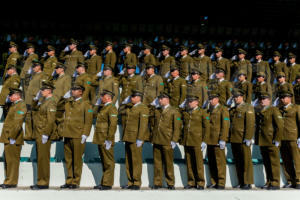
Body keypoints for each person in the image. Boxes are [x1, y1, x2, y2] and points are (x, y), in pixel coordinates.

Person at [60, 85, 93, 189]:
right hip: (67, 133)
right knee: (68, 159)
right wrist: (63, 98)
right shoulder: (68, 103)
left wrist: (85, 134)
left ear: (81, 92)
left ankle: (76, 181)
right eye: (72, 90)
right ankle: (69, 180)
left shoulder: (85, 104)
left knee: (77, 159)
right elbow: (58, 107)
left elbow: (88, 121)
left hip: (78, 134)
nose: (72, 91)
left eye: (75, 90)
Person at [151, 92, 181, 190]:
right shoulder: (157, 110)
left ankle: (170, 182)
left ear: (167, 99)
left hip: (167, 140)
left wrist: (174, 140)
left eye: (161, 99)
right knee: (157, 163)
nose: (159, 100)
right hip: (157, 139)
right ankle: (157, 182)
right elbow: (153, 124)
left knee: (168, 163)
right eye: (159, 99)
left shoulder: (174, 111)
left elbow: (177, 127)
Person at [30, 82, 57, 190]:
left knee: (43, 159)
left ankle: (43, 183)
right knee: (40, 158)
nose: (41, 91)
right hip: (39, 133)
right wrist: (36, 99)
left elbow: (50, 121)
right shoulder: (44, 101)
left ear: (49, 90)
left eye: (44, 90)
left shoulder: (51, 102)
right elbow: (33, 108)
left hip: (43, 134)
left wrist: (46, 134)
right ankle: (40, 181)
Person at [120, 90, 149, 190]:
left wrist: (140, 138)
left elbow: (143, 125)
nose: (131, 98)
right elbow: (120, 111)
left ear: (139, 98)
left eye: (133, 97)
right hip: (128, 137)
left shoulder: (143, 108)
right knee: (128, 160)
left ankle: (136, 182)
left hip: (136, 137)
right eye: (131, 97)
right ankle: (130, 181)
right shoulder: (130, 107)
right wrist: (124, 102)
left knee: (136, 161)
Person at [254, 92, 283, 190]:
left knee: (274, 162)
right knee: (266, 162)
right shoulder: (260, 111)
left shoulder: (273, 110)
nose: (262, 101)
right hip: (263, 140)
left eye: (264, 99)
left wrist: (277, 139)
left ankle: (275, 183)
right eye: (260, 99)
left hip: (271, 140)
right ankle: (269, 181)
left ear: (269, 100)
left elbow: (280, 126)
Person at [180, 95, 210, 190]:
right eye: (188, 101)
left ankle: (200, 182)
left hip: (197, 140)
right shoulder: (186, 112)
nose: (189, 103)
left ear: (197, 102)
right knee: (189, 163)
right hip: (187, 140)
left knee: (198, 163)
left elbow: (207, 127)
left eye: (191, 101)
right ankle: (191, 181)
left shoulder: (202, 112)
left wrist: (204, 141)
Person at [0, 89, 26, 189]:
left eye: (11, 95)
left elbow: (18, 122)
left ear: (17, 96)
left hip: (13, 137)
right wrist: (7, 101)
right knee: (8, 160)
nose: (9, 97)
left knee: (13, 161)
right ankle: (8, 180)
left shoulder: (21, 105)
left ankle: (12, 181)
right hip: (8, 137)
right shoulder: (14, 104)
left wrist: (12, 136)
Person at [229, 89, 255, 190]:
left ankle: (247, 182)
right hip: (234, 138)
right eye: (234, 97)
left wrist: (248, 137)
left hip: (243, 138)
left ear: (242, 97)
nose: (236, 99)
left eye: (238, 97)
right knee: (238, 161)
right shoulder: (233, 109)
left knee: (246, 161)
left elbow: (250, 124)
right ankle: (241, 181)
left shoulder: (247, 107)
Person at [93, 90, 118, 190]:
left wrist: (109, 139)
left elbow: (113, 125)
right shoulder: (102, 107)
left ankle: (107, 184)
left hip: (105, 138)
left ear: (108, 97)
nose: (100, 98)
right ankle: (104, 182)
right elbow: (93, 114)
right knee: (104, 161)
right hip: (100, 138)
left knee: (108, 161)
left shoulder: (111, 108)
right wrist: (97, 105)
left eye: (102, 97)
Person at [206, 91, 230, 189]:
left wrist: (223, 139)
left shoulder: (223, 109)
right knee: (211, 161)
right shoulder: (209, 110)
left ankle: (221, 182)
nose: (211, 101)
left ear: (217, 99)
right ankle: (213, 181)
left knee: (220, 162)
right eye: (210, 99)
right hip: (209, 139)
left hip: (218, 139)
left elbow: (225, 125)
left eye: (212, 99)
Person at [278, 91, 300, 189]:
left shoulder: (296, 108)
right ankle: (291, 181)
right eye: (281, 98)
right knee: (286, 161)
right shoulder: (279, 109)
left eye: (285, 97)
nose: (283, 99)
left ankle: (299, 180)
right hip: (282, 138)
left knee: (297, 160)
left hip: (293, 137)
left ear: (290, 98)